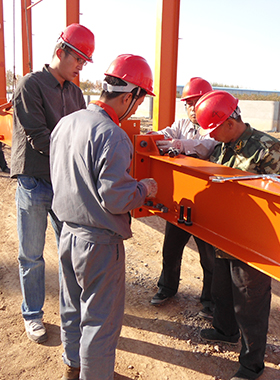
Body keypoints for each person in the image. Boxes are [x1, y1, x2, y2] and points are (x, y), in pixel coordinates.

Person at [50, 54, 158, 380]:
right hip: (98, 244)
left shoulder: (67, 122)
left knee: (72, 307)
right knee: (100, 321)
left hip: (67, 233)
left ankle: (73, 364)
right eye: (138, 102)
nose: (136, 110)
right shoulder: (112, 135)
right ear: (128, 96)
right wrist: (145, 188)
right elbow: (117, 198)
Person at [10, 23, 95, 344]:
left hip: (63, 184)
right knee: (31, 255)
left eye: (85, 62)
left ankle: (69, 312)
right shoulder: (29, 85)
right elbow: (38, 137)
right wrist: (77, 156)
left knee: (69, 253)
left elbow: (82, 133)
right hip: (34, 181)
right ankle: (32, 314)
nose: (81, 66)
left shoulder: (75, 93)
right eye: (78, 60)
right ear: (60, 52)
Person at [195, 90, 280, 380]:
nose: (211, 135)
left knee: (250, 303)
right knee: (221, 288)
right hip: (224, 235)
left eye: (213, 129)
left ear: (230, 122)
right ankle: (224, 330)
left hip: (252, 241)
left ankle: (251, 364)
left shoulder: (268, 149)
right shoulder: (221, 147)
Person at [150, 77, 217, 320]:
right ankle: (166, 288)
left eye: (195, 102)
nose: (190, 108)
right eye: (187, 103)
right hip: (182, 200)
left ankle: (209, 301)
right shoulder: (181, 124)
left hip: (207, 204)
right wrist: (151, 137)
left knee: (209, 257)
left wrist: (180, 144)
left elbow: (206, 146)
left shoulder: (214, 127)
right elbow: (163, 134)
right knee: (171, 248)